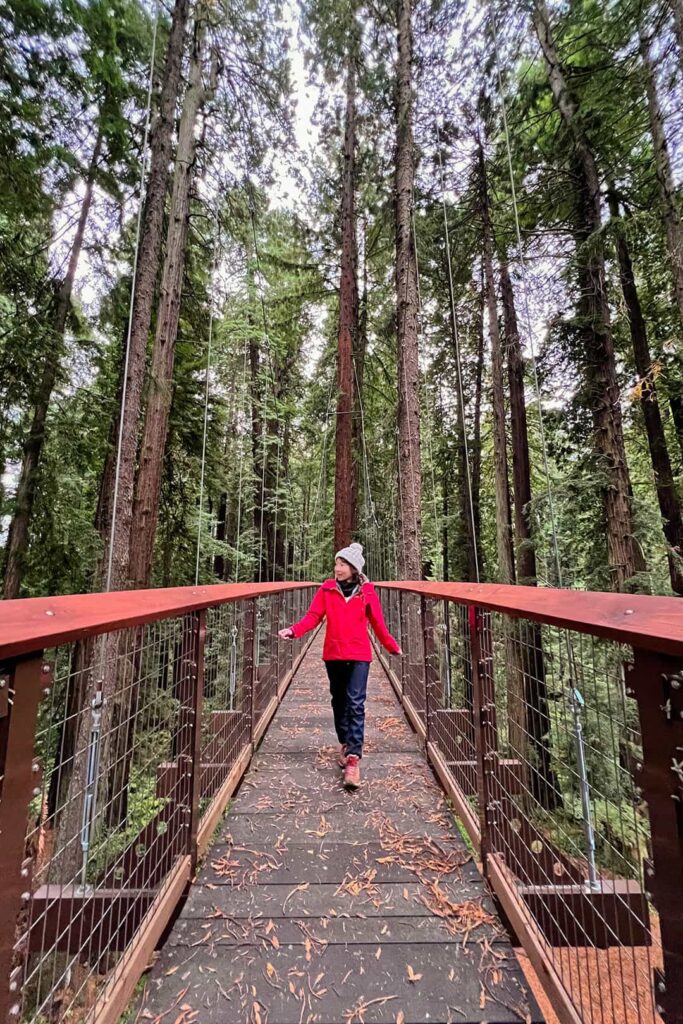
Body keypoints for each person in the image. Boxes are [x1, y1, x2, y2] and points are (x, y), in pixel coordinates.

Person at [278, 542, 401, 790]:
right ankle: (345, 742)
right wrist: (294, 631)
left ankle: (353, 758)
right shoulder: (327, 590)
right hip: (333, 654)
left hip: (359, 655)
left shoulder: (367, 592)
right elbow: (313, 617)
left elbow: (377, 622)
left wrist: (390, 646)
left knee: (356, 703)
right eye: (337, 563)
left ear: (354, 569)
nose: (337, 568)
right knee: (339, 701)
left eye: (343, 564)